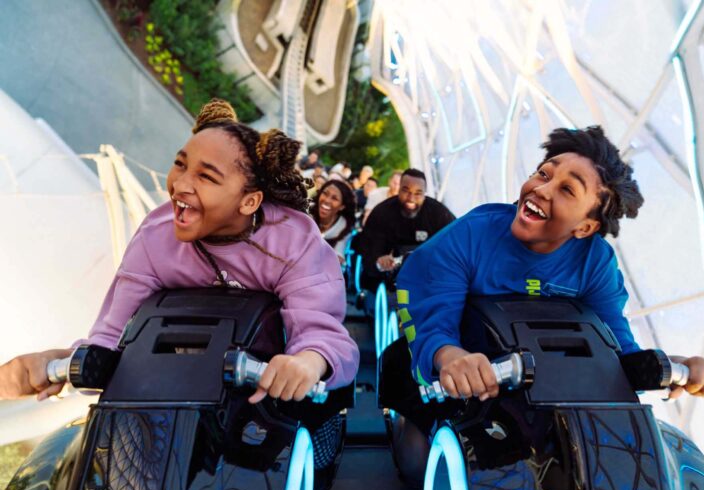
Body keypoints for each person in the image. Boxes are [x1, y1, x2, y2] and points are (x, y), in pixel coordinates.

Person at [0, 98, 359, 404]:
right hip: (178, 391)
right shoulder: (156, 237)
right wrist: (64, 362)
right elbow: (112, 337)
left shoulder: (292, 241)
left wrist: (307, 362)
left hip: (259, 389)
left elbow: (324, 334)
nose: (180, 185)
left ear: (249, 201)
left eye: (207, 177)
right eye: (181, 164)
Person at [397, 126, 704, 401]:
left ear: (586, 227)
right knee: (415, 457)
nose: (541, 189)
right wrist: (450, 357)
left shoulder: (595, 263)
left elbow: (615, 348)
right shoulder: (472, 234)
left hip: (545, 397)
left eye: (567, 190)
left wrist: (673, 368)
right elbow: (432, 320)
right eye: (543, 174)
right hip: (461, 388)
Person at [360, 168, 455, 295]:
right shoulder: (381, 213)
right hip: (391, 282)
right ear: (398, 189)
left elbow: (456, 241)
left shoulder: (438, 213)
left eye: (418, 193)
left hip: (430, 279)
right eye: (406, 191)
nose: (411, 198)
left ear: (425, 193)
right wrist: (379, 262)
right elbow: (368, 253)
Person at [311, 180, 357, 265]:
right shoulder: (307, 213)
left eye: (334, 198)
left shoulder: (344, 227)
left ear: (342, 207)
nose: (327, 200)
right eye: (325, 193)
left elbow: (338, 256)